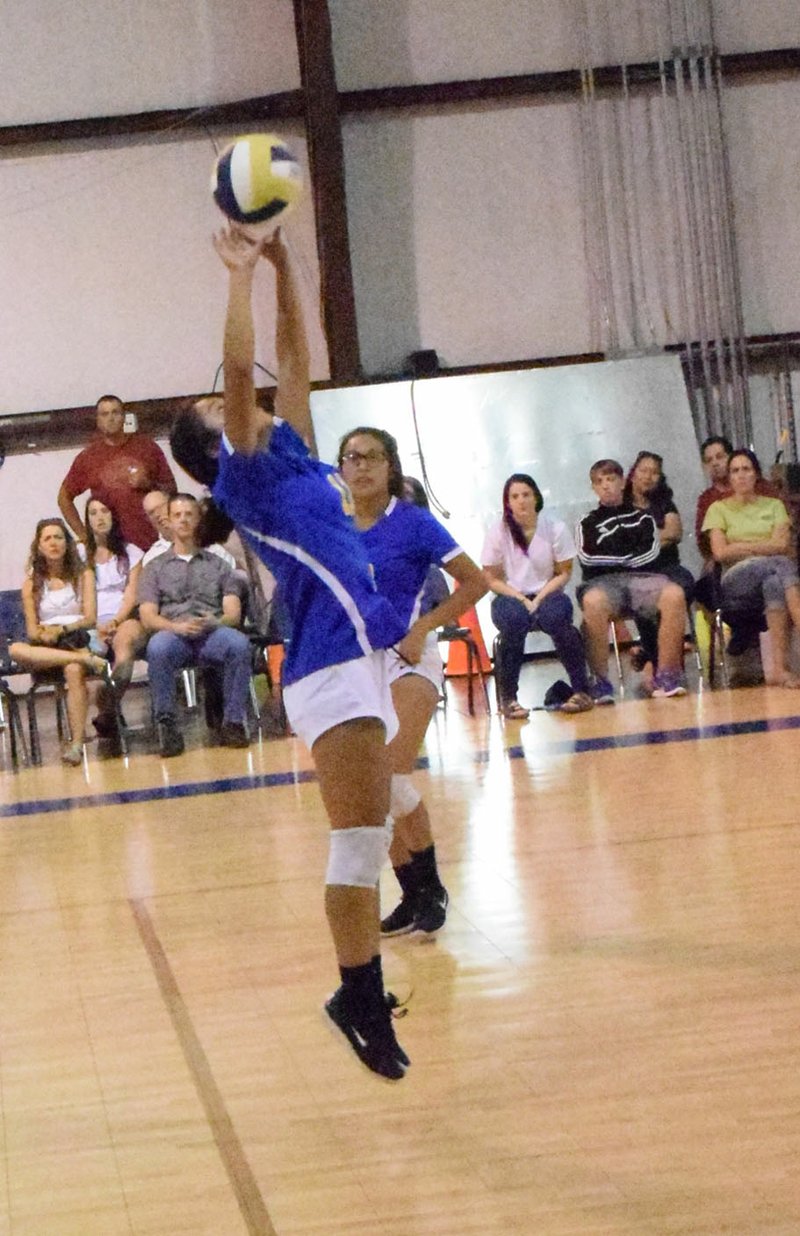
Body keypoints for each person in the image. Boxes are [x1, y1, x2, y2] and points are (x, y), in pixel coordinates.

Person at [169, 225, 411, 1081]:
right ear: (216, 444)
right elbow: (240, 376)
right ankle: (357, 993)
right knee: (356, 843)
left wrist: (281, 268)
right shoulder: (245, 472)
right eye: (228, 412)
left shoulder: (297, 456)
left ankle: (365, 982)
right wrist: (235, 276)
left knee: (376, 827)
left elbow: (292, 362)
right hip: (327, 665)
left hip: (359, 656)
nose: (257, 401)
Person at [338, 431, 486, 938]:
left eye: (372, 458)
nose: (361, 468)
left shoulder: (414, 522)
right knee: (373, 788)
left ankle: (430, 887)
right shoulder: (332, 526)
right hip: (355, 664)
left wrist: (424, 626)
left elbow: (477, 582)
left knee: (388, 769)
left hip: (409, 658)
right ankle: (415, 891)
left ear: (390, 467)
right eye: (351, 458)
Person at [138, 494, 253, 755]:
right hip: (174, 632)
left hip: (211, 631)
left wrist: (215, 622)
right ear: (169, 520)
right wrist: (176, 628)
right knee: (157, 648)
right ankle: (167, 726)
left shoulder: (220, 565)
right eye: (177, 515)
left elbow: (232, 614)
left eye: (189, 514)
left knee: (239, 644)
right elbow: (147, 616)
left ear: (198, 519)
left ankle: (233, 721)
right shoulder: (153, 568)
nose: (183, 520)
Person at [576, 459, 689, 700]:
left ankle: (667, 676)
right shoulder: (587, 522)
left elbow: (650, 552)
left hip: (642, 579)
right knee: (593, 602)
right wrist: (626, 555)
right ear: (594, 488)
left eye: (611, 480)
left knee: (674, 594)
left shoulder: (643, 518)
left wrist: (615, 555)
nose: (606, 486)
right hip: (603, 583)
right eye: (599, 482)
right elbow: (588, 557)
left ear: (622, 482)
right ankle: (600, 681)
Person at [482, 473, 592, 717]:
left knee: (559, 620)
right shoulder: (498, 532)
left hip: (547, 591)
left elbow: (564, 572)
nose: (521, 501)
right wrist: (521, 599)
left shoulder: (555, 528)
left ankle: (581, 690)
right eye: (514, 496)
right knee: (513, 623)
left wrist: (539, 598)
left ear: (536, 498)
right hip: (511, 594)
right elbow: (490, 578)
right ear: (507, 502)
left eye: (526, 495)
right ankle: (508, 698)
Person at [9, 518, 107, 765]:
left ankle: (75, 745)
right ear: (39, 546)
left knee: (73, 671)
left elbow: (90, 618)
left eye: (58, 537)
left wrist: (62, 629)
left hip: (76, 636)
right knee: (16, 649)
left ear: (67, 543)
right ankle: (84, 659)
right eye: (47, 538)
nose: (53, 543)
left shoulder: (84, 575)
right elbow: (32, 630)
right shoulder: (32, 584)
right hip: (47, 643)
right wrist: (46, 634)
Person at [703, 448, 800, 688]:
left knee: (774, 582)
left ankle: (778, 669)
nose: (741, 475)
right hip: (736, 580)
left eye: (746, 469)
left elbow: (782, 543)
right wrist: (763, 548)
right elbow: (721, 552)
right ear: (729, 477)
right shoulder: (718, 509)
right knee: (782, 564)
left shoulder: (774, 505)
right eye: (735, 471)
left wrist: (742, 545)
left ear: (756, 474)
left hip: (771, 575)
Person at [58, 395, 176, 551]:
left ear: (124, 417)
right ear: (98, 420)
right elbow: (64, 498)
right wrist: (86, 538)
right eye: (104, 414)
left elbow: (172, 491)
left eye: (115, 413)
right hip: (113, 550)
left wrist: (148, 484)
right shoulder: (87, 457)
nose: (111, 418)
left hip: (153, 543)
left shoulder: (147, 447)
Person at [622, 451, 695, 681]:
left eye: (654, 472)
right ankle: (659, 664)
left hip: (669, 567)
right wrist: (655, 539)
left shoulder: (665, 504)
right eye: (644, 470)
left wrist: (641, 541)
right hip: (636, 571)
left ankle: (666, 666)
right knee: (644, 597)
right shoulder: (620, 507)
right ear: (633, 474)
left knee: (679, 590)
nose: (648, 476)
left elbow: (674, 532)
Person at [83, 498, 147, 742]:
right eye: (93, 513)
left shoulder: (132, 553)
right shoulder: (79, 554)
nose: (100, 517)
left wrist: (115, 622)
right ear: (87, 520)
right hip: (90, 621)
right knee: (87, 654)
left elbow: (131, 594)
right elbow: (79, 597)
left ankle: (106, 706)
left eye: (105, 511)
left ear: (113, 516)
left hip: (124, 618)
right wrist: (94, 625)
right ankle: (107, 712)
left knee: (124, 651)